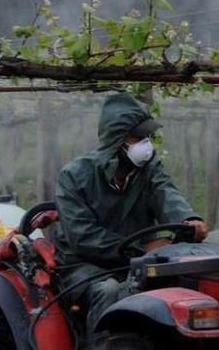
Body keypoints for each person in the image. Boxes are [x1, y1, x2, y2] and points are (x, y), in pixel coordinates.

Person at [51, 92, 208, 333]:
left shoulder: (148, 168)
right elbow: (82, 237)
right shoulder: (74, 176)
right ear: (117, 140)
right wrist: (142, 249)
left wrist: (187, 218)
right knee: (109, 290)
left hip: (136, 263)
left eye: (148, 137)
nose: (146, 144)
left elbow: (164, 191)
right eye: (138, 137)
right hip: (83, 266)